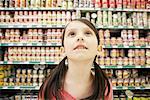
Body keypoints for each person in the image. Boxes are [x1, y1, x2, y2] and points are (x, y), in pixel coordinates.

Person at [38, 19, 113, 100]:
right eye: (72, 34)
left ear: (99, 49)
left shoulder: (105, 87)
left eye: (87, 33)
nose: (80, 37)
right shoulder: (49, 87)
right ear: (63, 51)